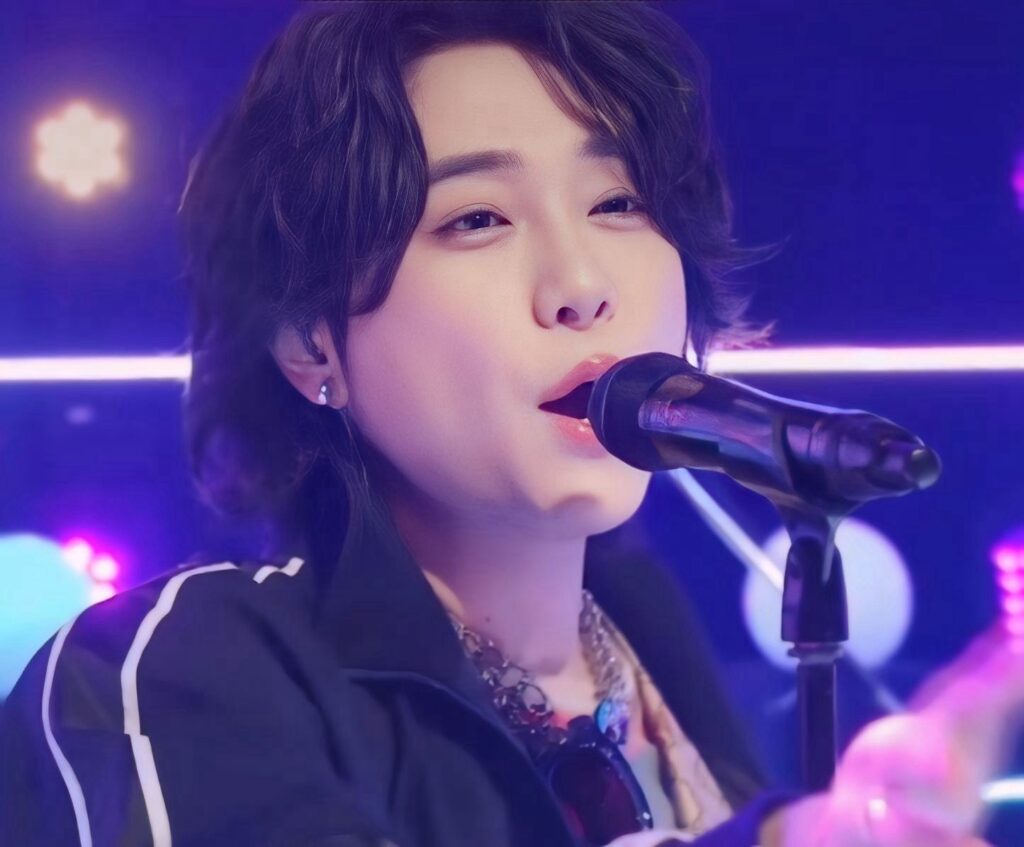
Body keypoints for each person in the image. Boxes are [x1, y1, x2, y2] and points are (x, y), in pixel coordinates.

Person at [0, 3, 1019, 845]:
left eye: (619, 202)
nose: (581, 284)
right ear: (313, 344)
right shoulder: (178, 668)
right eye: (476, 219)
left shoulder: (656, 649)